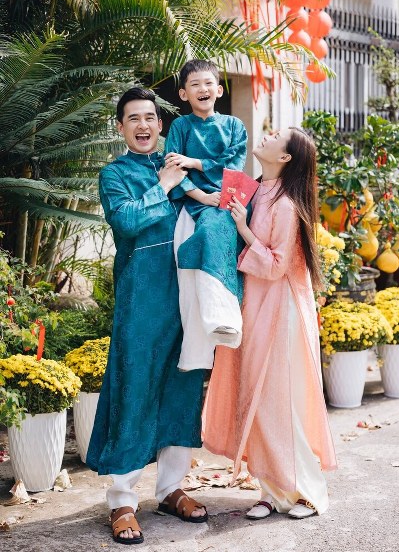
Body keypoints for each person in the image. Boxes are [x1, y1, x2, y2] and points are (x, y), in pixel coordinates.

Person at [86, 88, 208, 546]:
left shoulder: (180, 163)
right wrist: (163, 186)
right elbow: (125, 222)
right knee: (134, 389)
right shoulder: (114, 174)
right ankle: (122, 500)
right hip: (142, 299)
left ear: (161, 124)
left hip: (188, 295)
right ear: (120, 127)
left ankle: (171, 488)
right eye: (133, 118)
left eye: (150, 118)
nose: (143, 125)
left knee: (182, 387)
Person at [202, 127, 337, 520]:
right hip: (257, 305)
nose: (267, 135)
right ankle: (271, 491)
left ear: (285, 157)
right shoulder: (258, 190)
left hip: (282, 310)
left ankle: (308, 493)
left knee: (281, 402)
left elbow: (277, 266)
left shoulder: (288, 205)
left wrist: (244, 230)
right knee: (257, 399)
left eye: (277, 135)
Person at [164, 59, 248, 371]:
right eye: (195, 84)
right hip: (194, 202)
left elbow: (233, 165)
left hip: (228, 201)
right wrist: (201, 195)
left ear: (219, 90)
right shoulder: (180, 127)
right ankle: (196, 352)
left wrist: (194, 162)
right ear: (183, 94)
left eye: (209, 83)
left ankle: (225, 320)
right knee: (188, 277)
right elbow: (173, 168)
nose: (203, 88)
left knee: (214, 241)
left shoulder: (234, 126)